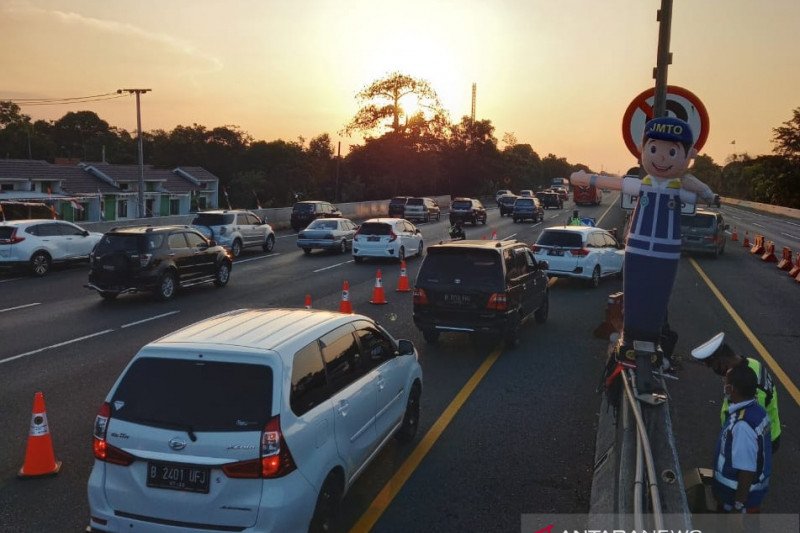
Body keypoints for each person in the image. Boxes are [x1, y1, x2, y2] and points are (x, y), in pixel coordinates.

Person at [571, 117, 715, 393]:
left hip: (666, 249)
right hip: (638, 246)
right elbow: (612, 182)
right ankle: (632, 339)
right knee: (635, 292)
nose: (661, 157)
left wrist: (706, 191)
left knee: (658, 295)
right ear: (643, 149)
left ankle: (651, 339)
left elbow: (698, 192)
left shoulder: (678, 188)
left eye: (672, 152)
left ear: (687, 156)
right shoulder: (644, 185)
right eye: (654, 150)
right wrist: (586, 178)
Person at [691, 332, 782, 453]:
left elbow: (752, 424)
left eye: (714, 366)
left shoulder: (753, 389)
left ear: (723, 362)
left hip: (761, 441)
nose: (716, 371)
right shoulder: (751, 363)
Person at [712, 364, 772, 513]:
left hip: (735, 502)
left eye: (725, 382)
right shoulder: (758, 411)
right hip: (751, 499)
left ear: (732, 389)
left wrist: (738, 508)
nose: (724, 385)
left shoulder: (742, 425)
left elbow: (746, 472)